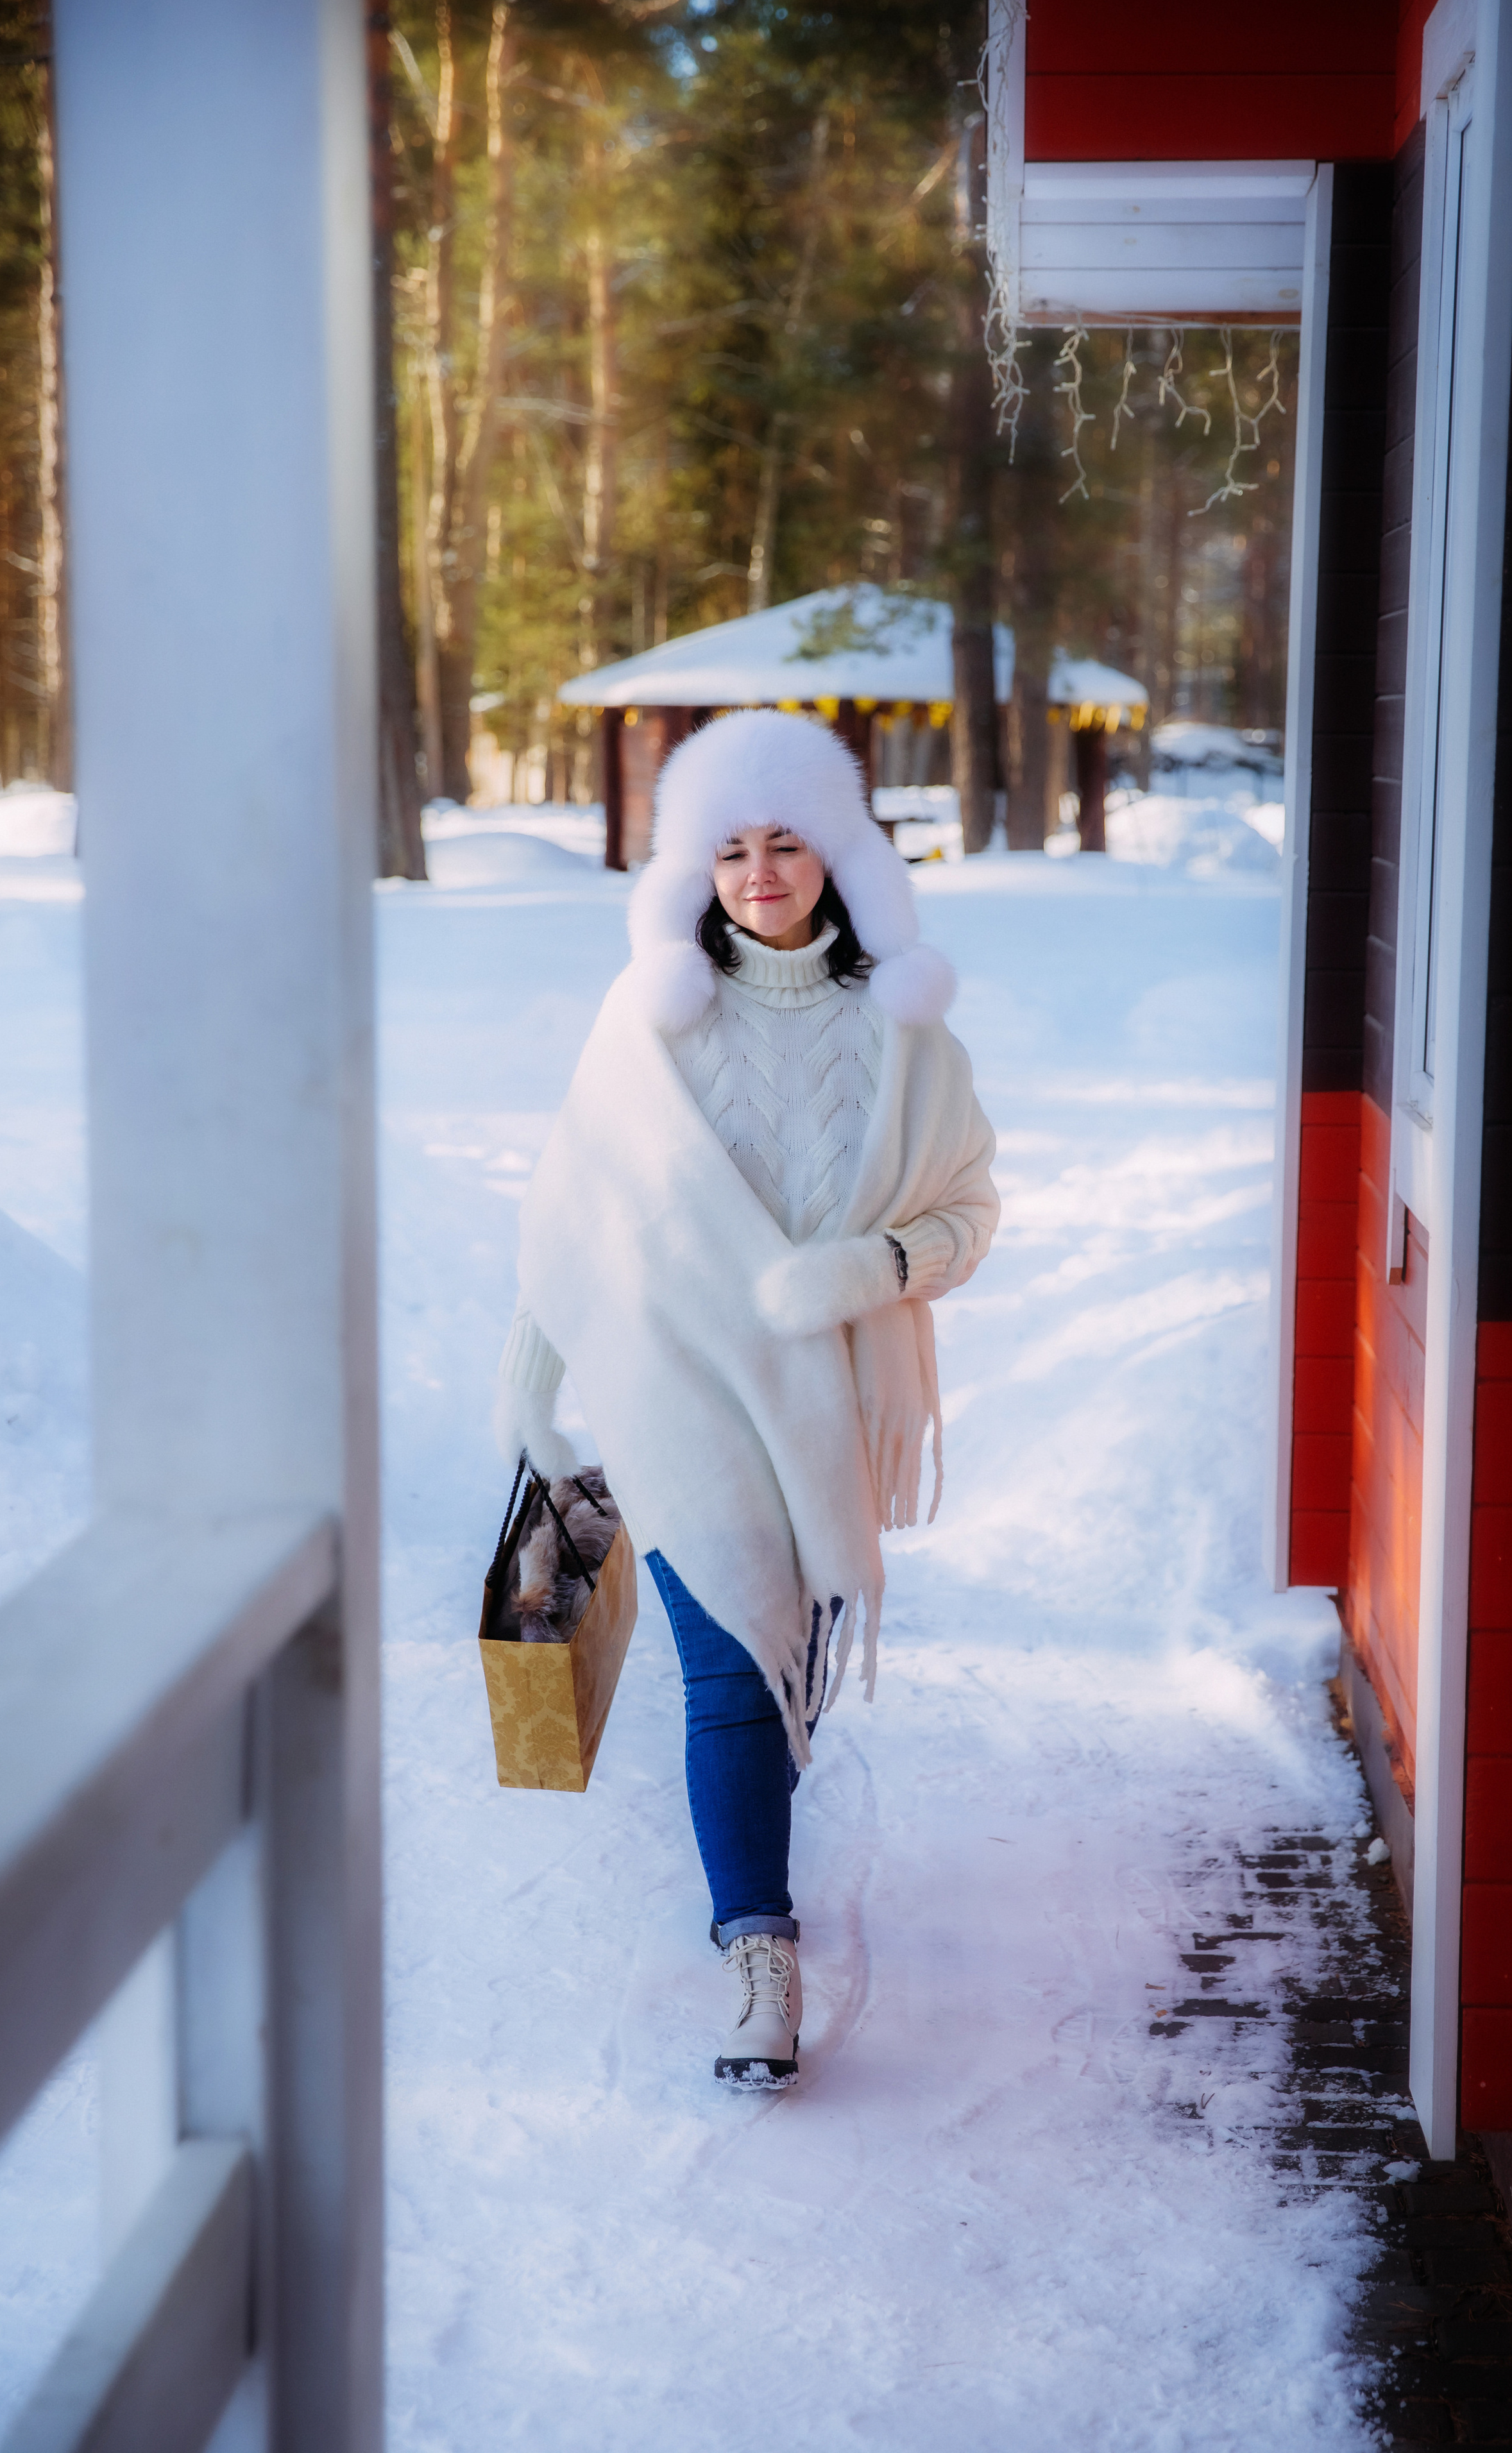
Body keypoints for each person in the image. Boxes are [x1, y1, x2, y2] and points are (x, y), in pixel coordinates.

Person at [493, 708, 998, 2087]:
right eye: (729, 849)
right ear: (693, 870)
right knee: (725, 1670)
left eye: (786, 843)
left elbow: (966, 1210)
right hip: (676, 1388)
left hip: (827, 1399)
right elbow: (573, 1211)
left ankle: (753, 1866)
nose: (759, 872)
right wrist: (533, 1384)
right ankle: (758, 1954)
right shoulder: (650, 1020)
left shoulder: (903, 1035)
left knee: (786, 1678)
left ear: (835, 858)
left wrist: (865, 1267)